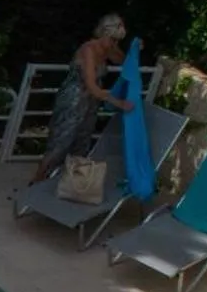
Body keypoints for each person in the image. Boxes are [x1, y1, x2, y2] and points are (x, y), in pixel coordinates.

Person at [32, 13, 135, 183]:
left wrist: (134, 50)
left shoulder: (108, 48)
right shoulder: (89, 49)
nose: (114, 45)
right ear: (105, 34)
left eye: (116, 42)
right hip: (74, 98)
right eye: (113, 40)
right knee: (61, 141)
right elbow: (92, 86)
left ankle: (70, 182)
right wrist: (119, 103)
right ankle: (37, 179)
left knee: (82, 141)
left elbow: (124, 61)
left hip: (90, 102)